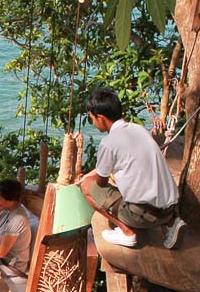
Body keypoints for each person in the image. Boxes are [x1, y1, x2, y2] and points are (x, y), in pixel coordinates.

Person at [79, 87, 186, 250]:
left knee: (86, 186)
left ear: (100, 118)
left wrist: (89, 178)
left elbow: (100, 183)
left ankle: (127, 232)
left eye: (92, 118)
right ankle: (172, 223)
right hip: (169, 209)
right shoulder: (139, 130)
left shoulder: (109, 143)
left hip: (144, 216)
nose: (92, 122)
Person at [0, 178, 33, 275]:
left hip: (12, 267)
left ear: (10, 199)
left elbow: (1, 253)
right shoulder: (7, 209)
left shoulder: (18, 219)